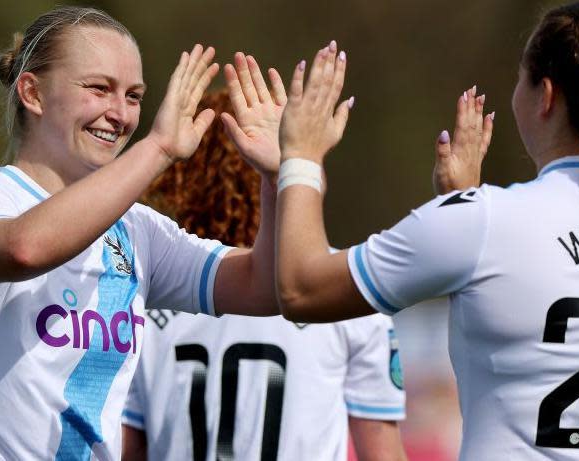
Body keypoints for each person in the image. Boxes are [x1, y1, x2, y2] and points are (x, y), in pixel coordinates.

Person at [275, 2, 579, 460]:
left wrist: (301, 155)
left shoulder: (483, 222)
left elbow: (302, 289)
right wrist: (460, 212)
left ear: (545, 95)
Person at [0, 6, 283, 460]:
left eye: (134, 96)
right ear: (32, 93)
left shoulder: (137, 228)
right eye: (99, 89)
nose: (121, 114)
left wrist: (278, 179)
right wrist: (159, 148)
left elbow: (264, 286)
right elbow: (24, 249)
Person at [120, 86, 407, 461]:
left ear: (185, 179)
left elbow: (128, 450)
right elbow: (381, 454)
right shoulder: (344, 285)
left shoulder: (147, 285)